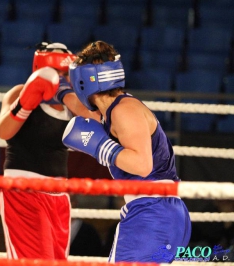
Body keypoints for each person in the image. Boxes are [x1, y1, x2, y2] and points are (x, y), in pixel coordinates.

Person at [62, 40, 191, 263]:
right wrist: (59, 89)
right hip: (157, 211)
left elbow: (142, 165)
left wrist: (102, 147)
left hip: (153, 211)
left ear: (83, 79)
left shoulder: (124, 111)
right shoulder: (112, 111)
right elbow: (81, 110)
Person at [0, 42, 99, 260]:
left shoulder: (73, 103)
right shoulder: (18, 92)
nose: (61, 78)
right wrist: (27, 100)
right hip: (24, 191)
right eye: (56, 72)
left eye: (65, 73)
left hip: (59, 196)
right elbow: (3, 131)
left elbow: (100, 124)